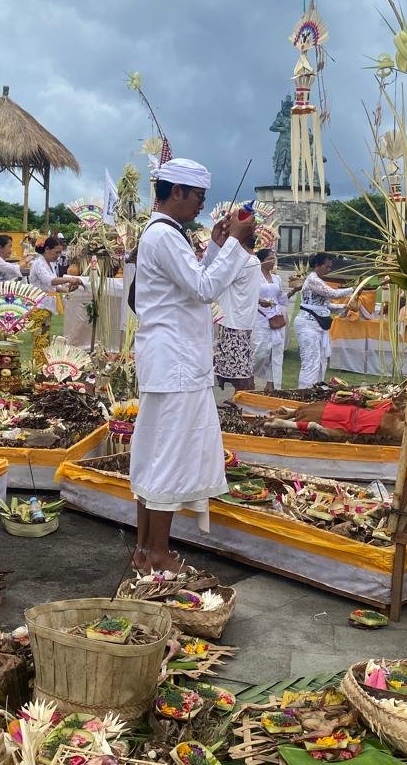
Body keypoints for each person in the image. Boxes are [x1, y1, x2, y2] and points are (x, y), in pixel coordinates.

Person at [128, 158, 255, 573]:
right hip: (176, 363)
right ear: (177, 192)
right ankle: (158, 554)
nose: (202, 205)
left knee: (155, 454)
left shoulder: (164, 234)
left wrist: (218, 247)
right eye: (199, 196)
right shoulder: (163, 235)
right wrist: (236, 244)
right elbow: (203, 289)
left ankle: (147, 552)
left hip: (169, 361)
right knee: (170, 456)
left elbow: (191, 282)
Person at [295, 253, 352, 389]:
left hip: (319, 326)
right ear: (317, 265)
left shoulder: (319, 281)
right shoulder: (313, 280)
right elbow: (333, 294)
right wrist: (353, 290)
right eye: (327, 267)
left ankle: (316, 391)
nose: (329, 270)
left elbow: (326, 306)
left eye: (330, 267)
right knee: (311, 362)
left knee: (321, 362)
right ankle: (305, 393)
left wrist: (344, 307)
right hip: (308, 325)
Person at [214, 233, 262, 392]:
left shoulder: (244, 262)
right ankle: (241, 397)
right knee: (241, 364)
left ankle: (243, 398)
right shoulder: (255, 261)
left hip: (234, 321)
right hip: (242, 320)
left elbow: (216, 280)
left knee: (238, 368)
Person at [27, 236, 82, 363]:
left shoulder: (47, 264)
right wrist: (69, 279)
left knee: (44, 339)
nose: (58, 256)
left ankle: (41, 367)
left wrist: (68, 289)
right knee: (40, 339)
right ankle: (38, 368)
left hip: (45, 307)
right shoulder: (39, 263)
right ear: (47, 249)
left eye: (60, 253)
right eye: (56, 252)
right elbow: (49, 281)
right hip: (38, 307)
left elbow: (54, 286)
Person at [252, 249, 289, 391]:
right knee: (261, 351)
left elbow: (282, 299)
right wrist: (260, 301)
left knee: (276, 352)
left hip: (276, 317)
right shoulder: (254, 277)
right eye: (269, 258)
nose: (273, 261)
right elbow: (248, 296)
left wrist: (293, 291)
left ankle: (272, 385)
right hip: (260, 318)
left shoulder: (277, 278)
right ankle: (249, 377)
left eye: (274, 258)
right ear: (261, 261)